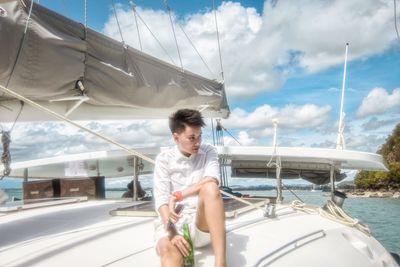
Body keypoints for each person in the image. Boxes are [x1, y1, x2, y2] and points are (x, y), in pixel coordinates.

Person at [153, 109, 226, 267]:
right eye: (191, 138)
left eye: (199, 136)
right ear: (176, 137)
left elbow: (211, 179)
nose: (197, 142)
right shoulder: (164, 159)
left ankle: (221, 263)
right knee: (169, 254)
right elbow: (161, 199)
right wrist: (172, 232)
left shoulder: (208, 151)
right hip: (173, 225)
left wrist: (178, 195)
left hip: (201, 224)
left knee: (211, 188)